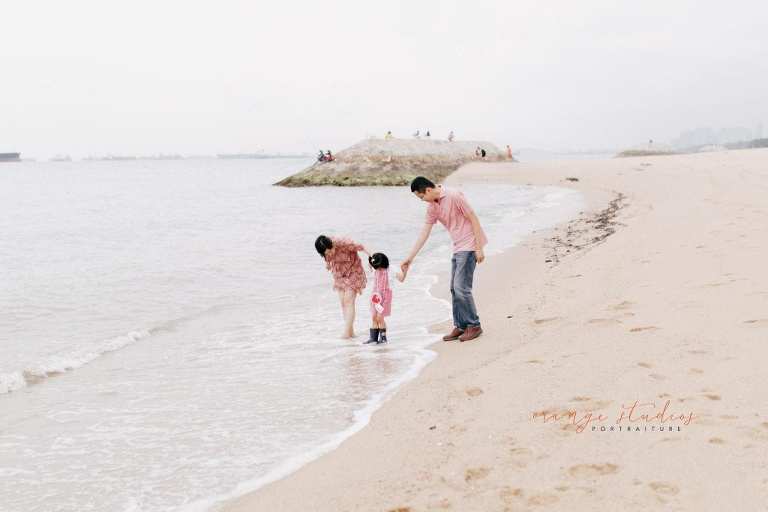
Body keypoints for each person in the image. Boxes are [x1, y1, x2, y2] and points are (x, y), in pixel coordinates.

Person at [400, 177, 487, 342]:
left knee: (461, 288)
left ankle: (474, 325)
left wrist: (479, 247)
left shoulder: (454, 196)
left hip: (469, 244)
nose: (422, 201)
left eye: (421, 197)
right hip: (457, 246)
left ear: (427, 190)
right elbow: (424, 233)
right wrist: (409, 259)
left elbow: (473, 218)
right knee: (454, 289)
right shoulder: (432, 207)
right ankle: (461, 325)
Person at [315, 235, 370, 338]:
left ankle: (346, 333)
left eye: (330, 250)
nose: (330, 253)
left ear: (331, 244)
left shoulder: (344, 243)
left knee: (348, 301)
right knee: (343, 303)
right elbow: (326, 256)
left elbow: (362, 246)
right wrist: (327, 263)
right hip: (339, 274)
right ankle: (351, 333)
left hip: (354, 271)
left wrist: (372, 257)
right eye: (326, 253)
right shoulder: (325, 252)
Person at [364, 252, 392, 344]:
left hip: (385, 297)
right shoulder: (375, 270)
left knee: (380, 317)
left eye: (380, 267)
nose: (378, 269)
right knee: (373, 317)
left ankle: (383, 338)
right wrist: (371, 259)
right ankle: (373, 338)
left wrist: (404, 270)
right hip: (375, 296)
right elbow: (370, 267)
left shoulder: (389, 270)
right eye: (377, 267)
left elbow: (400, 277)